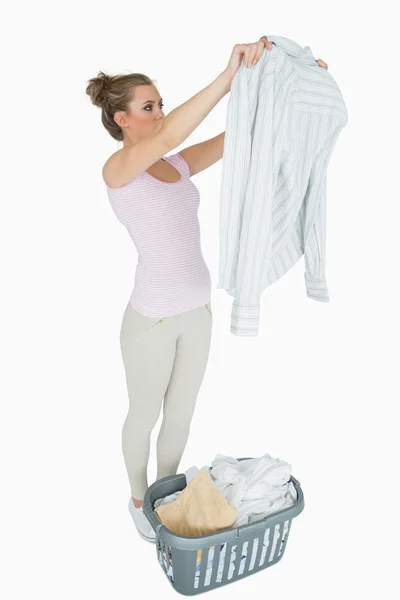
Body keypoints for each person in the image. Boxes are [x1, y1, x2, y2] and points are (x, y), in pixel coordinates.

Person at [85, 36, 328, 542]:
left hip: (197, 310)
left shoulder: (172, 166)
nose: (159, 112)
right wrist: (228, 74)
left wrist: (288, 89)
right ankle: (137, 499)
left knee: (182, 414)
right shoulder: (118, 171)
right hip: (152, 318)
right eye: (148, 106)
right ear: (122, 119)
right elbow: (172, 133)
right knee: (145, 414)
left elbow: (242, 135)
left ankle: (163, 495)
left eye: (160, 104)